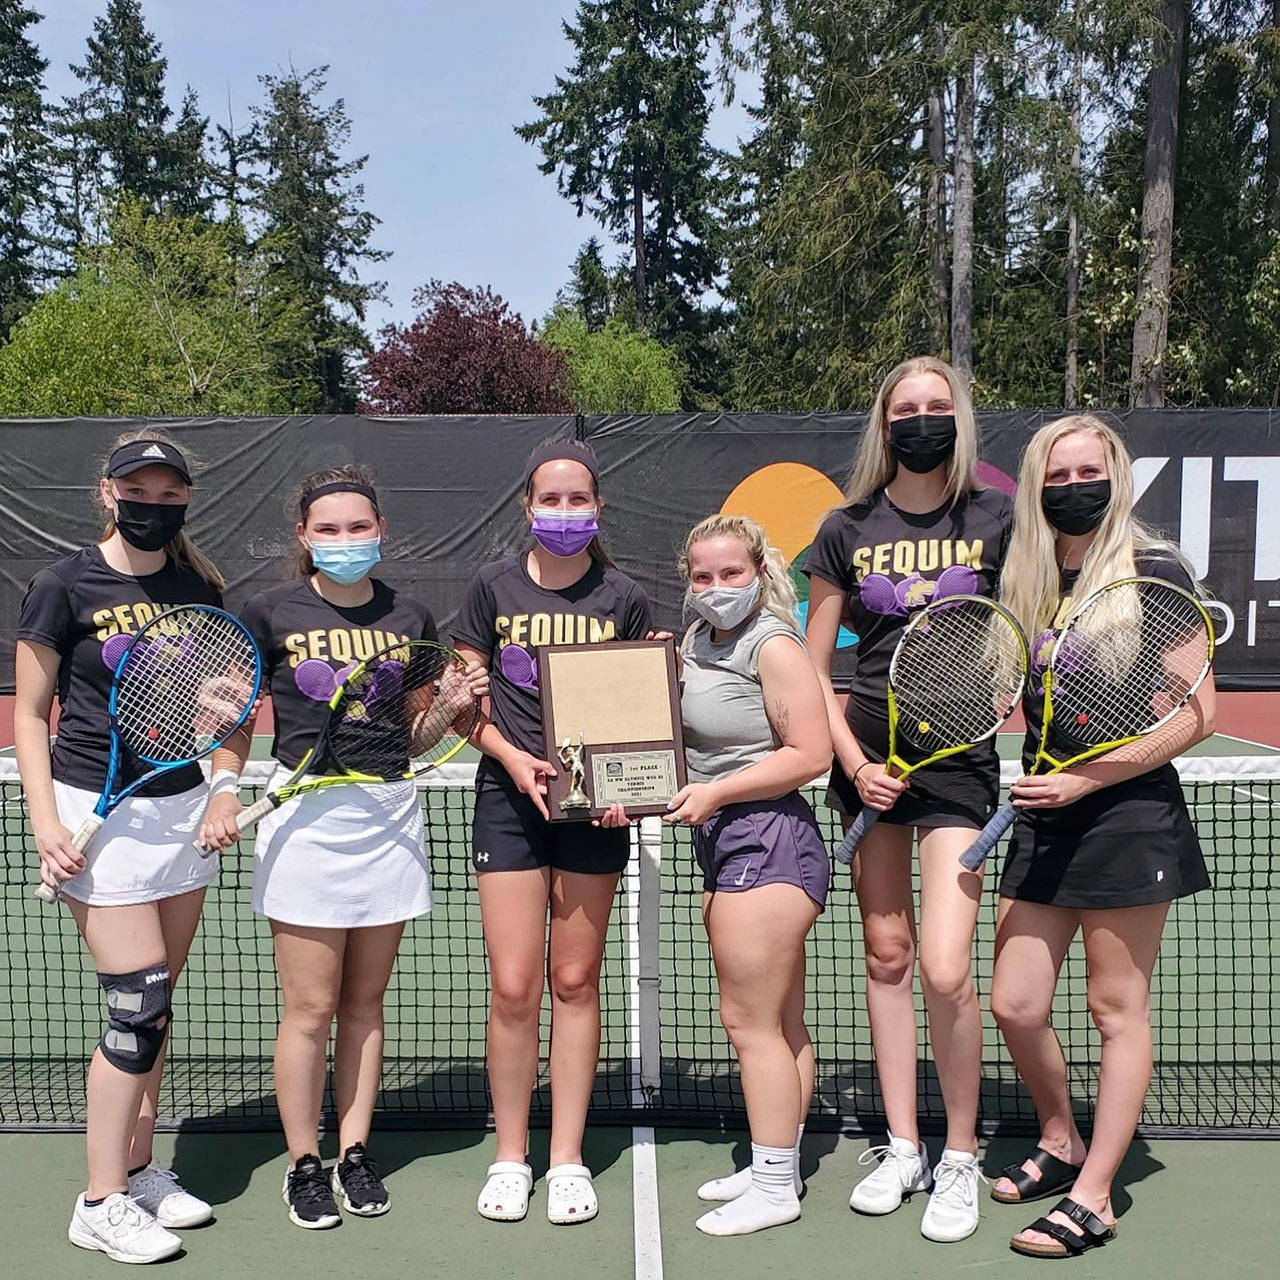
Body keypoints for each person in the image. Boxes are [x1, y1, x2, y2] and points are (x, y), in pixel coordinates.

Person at [200, 465, 481, 1230]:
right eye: (328, 529)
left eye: (359, 528)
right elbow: (229, 717)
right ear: (304, 537)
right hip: (304, 824)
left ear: (380, 530)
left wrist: (451, 708)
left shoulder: (410, 614)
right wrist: (224, 788)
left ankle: (355, 1152)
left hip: (387, 818)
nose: (345, 541)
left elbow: (414, 734)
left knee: (364, 1004)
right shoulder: (268, 611)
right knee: (309, 1009)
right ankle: (303, 1162)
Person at [987, 415, 1214, 1259]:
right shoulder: (1033, 575)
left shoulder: (1155, 572)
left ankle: (1094, 1197)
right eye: (1057, 474)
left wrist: (1091, 777)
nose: (1073, 485)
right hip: (1046, 816)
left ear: (1116, 478)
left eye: (1089, 470)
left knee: (1114, 1009)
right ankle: (1060, 1137)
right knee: (1016, 1001)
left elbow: (1199, 713)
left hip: (1129, 815)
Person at [804, 356, 1014, 1242]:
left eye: (937, 407)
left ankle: (960, 1155)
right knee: (886, 957)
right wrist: (851, 764)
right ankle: (903, 1145)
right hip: (869, 756)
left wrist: (1011, 692)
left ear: (958, 418)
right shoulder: (845, 525)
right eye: (906, 408)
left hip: (960, 761)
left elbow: (1031, 624)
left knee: (944, 965)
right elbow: (813, 670)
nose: (921, 419)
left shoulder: (999, 519)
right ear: (882, 424)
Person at [14, 431, 228, 1263]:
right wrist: (44, 823)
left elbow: (212, 696)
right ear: (107, 491)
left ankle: (139, 1170)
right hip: (91, 808)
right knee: (135, 1004)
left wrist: (214, 743)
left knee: (160, 1002)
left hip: (178, 814)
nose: (154, 503)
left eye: (170, 492)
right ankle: (97, 1200)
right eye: (138, 489)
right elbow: (32, 714)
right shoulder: (62, 585)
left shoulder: (198, 583)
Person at [453, 438, 654, 1226]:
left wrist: (623, 787)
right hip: (509, 801)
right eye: (551, 499)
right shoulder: (490, 589)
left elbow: (638, 714)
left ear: (597, 510)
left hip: (591, 812)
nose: (564, 513)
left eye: (579, 501)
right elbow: (465, 707)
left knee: (575, 982)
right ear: (527, 507)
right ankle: (512, 1154)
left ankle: (566, 1157)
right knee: (513, 987)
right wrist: (513, 759)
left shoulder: (625, 596)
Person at [669, 514, 832, 1237]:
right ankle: (780, 1162)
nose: (716, 587)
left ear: (760, 571)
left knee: (749, 1023)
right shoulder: (697, 641)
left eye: (730, 573)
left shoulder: (774, 645)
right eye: (702, 576)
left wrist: (716, 794)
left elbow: (810, 754)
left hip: (767, 838)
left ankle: (773, 1188)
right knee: (782, 1022)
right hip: (725, 836)